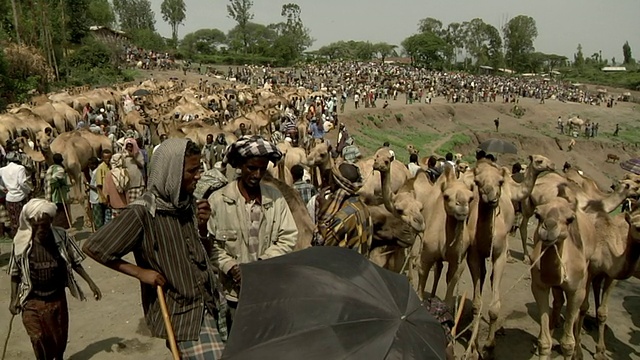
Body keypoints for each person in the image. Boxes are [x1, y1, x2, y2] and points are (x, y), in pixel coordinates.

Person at [84, 139, 228, 359]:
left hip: (209, 303)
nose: (198, 176)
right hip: (182, 314)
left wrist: (202, 228)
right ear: (172, 173)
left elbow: (203, 255)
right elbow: (94, 247)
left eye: (198, 169)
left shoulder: (187, 204)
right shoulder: (142, 213)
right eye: (192, 170)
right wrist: (141, 273)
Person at [208, 135, 297, 324]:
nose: (257, 175)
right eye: (251, 168)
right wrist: (231, 268)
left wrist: (259, 266)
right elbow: (211, 245)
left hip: (269, 292)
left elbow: (288, 237)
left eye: (262, 169)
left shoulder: (275, 198)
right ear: (240, 166)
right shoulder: (218, 201)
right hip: (232, 295)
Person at [9, 199, 102, 360]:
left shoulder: (61, 236)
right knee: (37, 338)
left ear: (51, 221)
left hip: (56, 297)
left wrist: (91, 283)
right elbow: (15, 273)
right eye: (36, 226)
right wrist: (13, 299)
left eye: (44, 225)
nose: (40, 230)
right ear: (29, 223)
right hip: (31, 299)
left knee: (58, 340)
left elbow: (74, 262)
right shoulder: (21, 242)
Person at [314, 162, 373, 255]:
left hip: (343, 267)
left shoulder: (341, 217)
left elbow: (322, 249)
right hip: (362, 263)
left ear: (334, 182)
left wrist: (321, 209)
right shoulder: (364, 208)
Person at [0, 151, 32, 236]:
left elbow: (1, 184)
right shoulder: (20, 168)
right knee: (23, 220)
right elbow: (22, 183)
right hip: (20, 197)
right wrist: (28, 191)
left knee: (14, 221)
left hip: (9, 198)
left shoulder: (2, 170)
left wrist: (4, 189)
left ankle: (16, 238)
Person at [44, 154, 71, 229]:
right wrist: (59, 183)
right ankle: (60, 227)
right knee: (60, 211)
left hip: (51, 193)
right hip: (58, 194)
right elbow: (53, 180)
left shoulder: (51, 168)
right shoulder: (60, 169)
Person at [123, 138, 145, 204]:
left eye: (131, 146)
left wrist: (134, 157)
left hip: (137, 183)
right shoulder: (122, 155)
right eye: (128, 146)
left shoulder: (138, 154)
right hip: (127, 183)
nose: (129, 148)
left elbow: (141, 165)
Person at [93, 149, 112, 228]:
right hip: (103, 198)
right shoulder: (100, 168)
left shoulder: (111, 167)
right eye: (106, 158)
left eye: (109, 158)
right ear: (102, 158)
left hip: (110, 197)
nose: (108, 160)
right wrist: (103, 198)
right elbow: (99, 186)